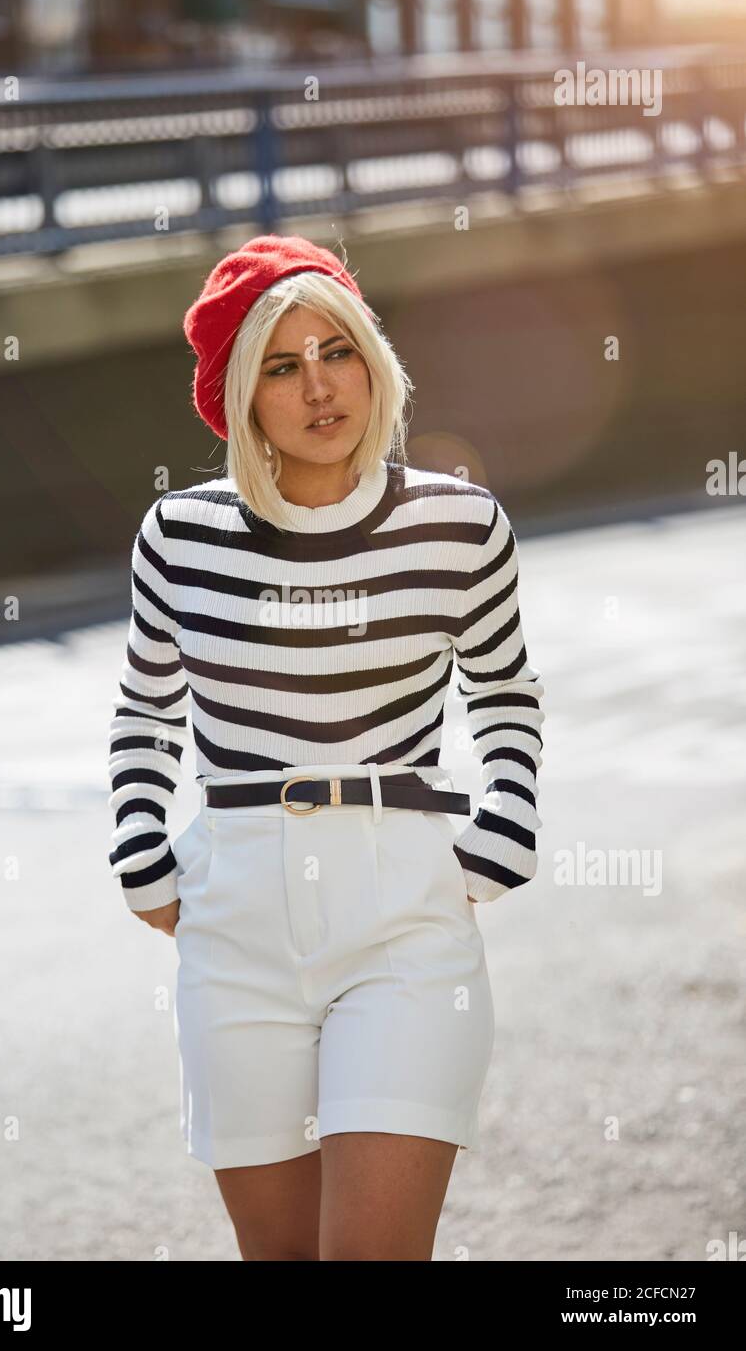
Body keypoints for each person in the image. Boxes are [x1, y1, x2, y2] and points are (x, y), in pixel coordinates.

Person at [107, 233, 545, 1260]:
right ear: (239, 399)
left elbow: (504, 691)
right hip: (233, 918)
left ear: (373, 362)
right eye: (281, 364)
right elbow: (144, 709)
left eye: (337, 351)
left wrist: (502, 832)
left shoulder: (460, 526)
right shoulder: (178, 536)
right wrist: (141, 856)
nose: (318, 386)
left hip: (402, 914)